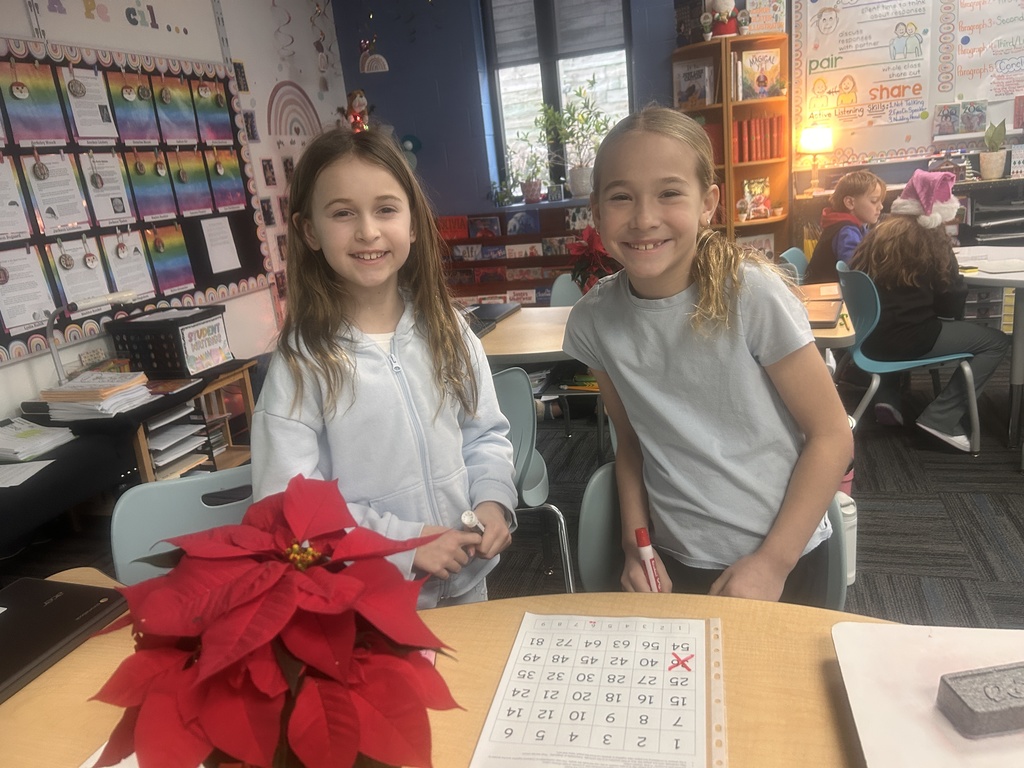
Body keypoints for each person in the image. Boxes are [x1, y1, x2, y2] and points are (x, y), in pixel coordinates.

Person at [563, 106, 853, 606]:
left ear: (708, 203)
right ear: (596, 210)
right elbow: (629, 441)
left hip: (784, 557)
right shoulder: (593, 320)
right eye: (621, 197)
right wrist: (637, 548)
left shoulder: (751, 294)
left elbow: (831, 435)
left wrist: (772, 564)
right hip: (676, 559)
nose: (644, 218)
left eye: (669, 193)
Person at [250, 128, 517, 608]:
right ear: (309, 230)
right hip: (369, 599)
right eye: (342, 213)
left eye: (386, 209)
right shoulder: (303, 362)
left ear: (413, 225)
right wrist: (403, 544)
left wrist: (494, 503)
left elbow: (484, 436)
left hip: (468, 579)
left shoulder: (449, 330)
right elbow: (290, 507)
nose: (368, 231)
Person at [851, 169, 1009, 447]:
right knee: (995, 341)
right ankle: (941, 417)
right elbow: (950, 302)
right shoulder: (930, 238)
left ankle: (887, 398)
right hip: (910, 340)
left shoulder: (878, 233)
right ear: (936, 212)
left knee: (900, 318)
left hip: (869, 339)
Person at [804, 170, 885, 285]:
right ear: (850, 203)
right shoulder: (847, 231)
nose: (880, 206)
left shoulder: (851, 225)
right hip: (828, 291)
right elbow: (856, 270)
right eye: (874, 201)